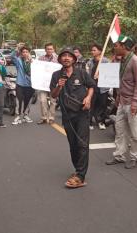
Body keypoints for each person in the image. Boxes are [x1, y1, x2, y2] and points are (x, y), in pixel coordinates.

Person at [50, 46, 94, 189]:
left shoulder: (81, 73)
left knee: (82, 144)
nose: (66, 58)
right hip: (67, 115)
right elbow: (53, 95)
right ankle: (78, 170)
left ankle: (80, 176)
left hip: (82, 114)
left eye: (69, 56)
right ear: (60, 59)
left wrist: (88, 98)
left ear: (74, 59)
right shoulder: (56, 75)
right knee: (73, 145)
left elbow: (92, 86)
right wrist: (59, 86)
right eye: (64, 56)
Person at [106, 35, 137, 169]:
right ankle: (119, 155)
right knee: (120, 130)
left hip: (134, 102)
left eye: (117, 45)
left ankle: (136, 158)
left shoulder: (135, 61)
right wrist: (118, 98)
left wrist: (134, 103)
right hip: (123, 101)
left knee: (136, 133)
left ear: (124, 46)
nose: (115, 47)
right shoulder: (122, 60)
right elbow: (121, 81)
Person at [87, 44, 110, 130]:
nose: (92, 52)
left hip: (103, 87)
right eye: (92, 50)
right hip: (93, 86)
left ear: (100, 51)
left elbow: (109, 74)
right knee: (91, 104)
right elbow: (87, 74)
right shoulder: (90, 62)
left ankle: (101, 121)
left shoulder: (106, 61)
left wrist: (101, 75)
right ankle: (89, 122)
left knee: (102, 104)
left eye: (94, 50)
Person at [37, 43, 58, 125]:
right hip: (43, 83)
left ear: (53, 50)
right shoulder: (41, 59)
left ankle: (52, 117)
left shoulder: (58, 59)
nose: (49, 50)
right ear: (45, 50)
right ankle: (44, 118)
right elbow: (37, 69)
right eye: (48, 49)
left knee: (53, 101)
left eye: (51, 49)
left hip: (53, 83)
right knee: (42, 101)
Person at [13, 46, 34, 124]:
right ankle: (18, 116)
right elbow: (12, 57)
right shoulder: (18, 61)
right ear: (21, 53)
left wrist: (31, 62)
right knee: (19, 100)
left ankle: (26, 115)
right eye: (23, 52)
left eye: (26, 52)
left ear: (29, 53)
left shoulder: (33, 62)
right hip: (20, 83)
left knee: (28, 101)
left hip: (30, 84)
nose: (25, 53)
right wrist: (16, 50)